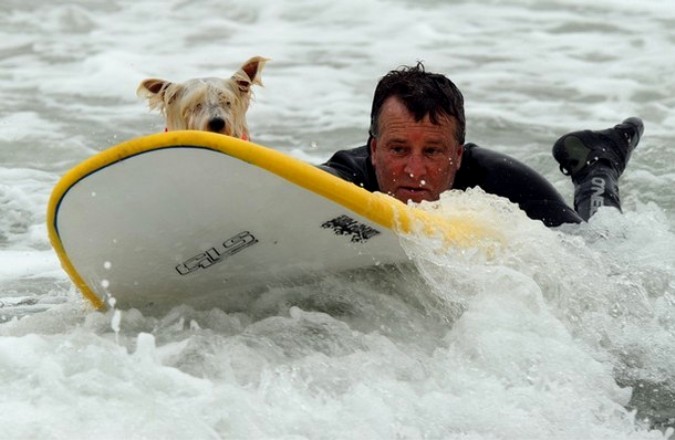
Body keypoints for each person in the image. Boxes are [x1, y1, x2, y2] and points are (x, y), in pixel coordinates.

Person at [319, 62, 643, 227]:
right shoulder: (344, 178)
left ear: (457, 156)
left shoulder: (497, 182)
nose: (414, 170)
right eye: (398, 149)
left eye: (432, 151)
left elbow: (595, 256)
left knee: (604, 233)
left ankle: (598, 164)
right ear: (374, 151)